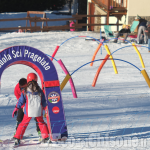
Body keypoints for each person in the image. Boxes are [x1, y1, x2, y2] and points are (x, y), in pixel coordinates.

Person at [12, 73, 50, 145]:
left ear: (28, 79)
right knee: (41, 122)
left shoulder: (25, 90)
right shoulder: (39, 90)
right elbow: (43, 100)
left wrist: (16, 108)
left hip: (28, 110)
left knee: (23, 123)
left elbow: (21, 101)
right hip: (38, 110)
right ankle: (46, 137)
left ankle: (17, 138)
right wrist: (45, 108)